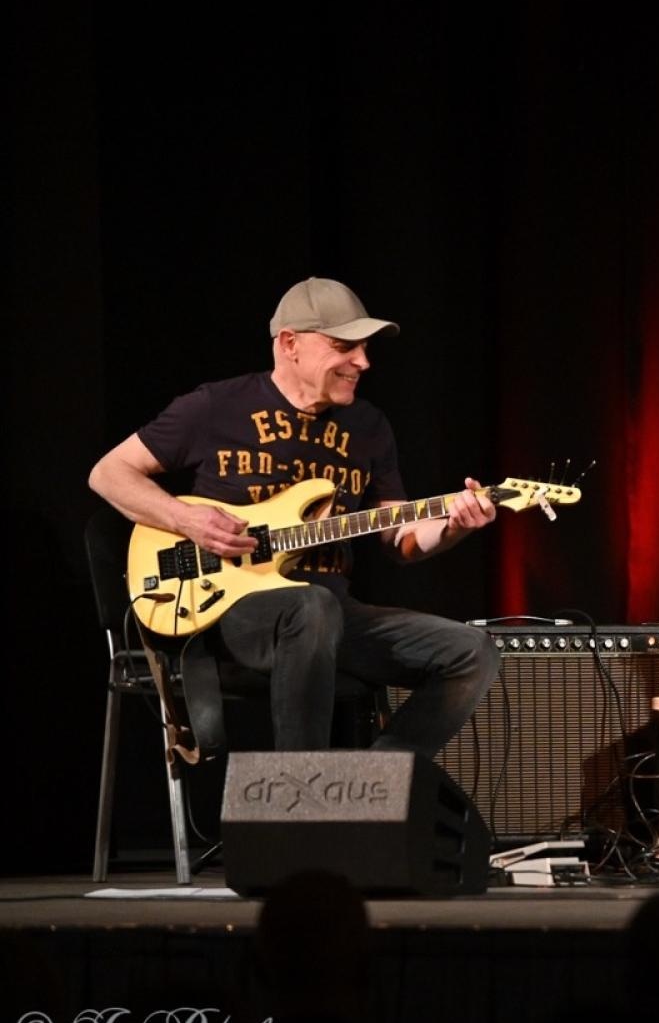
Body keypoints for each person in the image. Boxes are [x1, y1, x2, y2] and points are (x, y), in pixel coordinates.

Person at [89, 276, 499, 755]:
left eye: (365, 349)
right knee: (310, 607)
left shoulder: (369, 427)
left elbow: (399, 538)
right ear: (289, 344)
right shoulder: (216, 407)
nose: (363, 362)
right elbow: (108, 474)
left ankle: (369, 788)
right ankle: (297, 795)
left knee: (472, 651)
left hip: (333, 615)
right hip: (232, 611)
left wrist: (451, 525)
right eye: (344, 346)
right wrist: (187, 520)